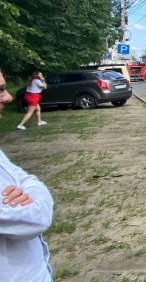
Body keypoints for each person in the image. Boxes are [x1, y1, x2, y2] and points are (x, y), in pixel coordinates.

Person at [0, 68, 55, 281]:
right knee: (33, 110)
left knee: (36, 110)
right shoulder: (36, 83)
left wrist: (29, 187)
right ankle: (23, 124)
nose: (8, 97)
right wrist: (35, 195)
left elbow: (24, 176)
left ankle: (34, 122)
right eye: (1, 90)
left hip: (33, 271)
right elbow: (35, 220)